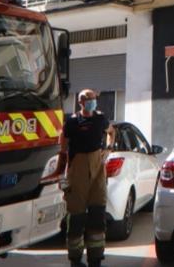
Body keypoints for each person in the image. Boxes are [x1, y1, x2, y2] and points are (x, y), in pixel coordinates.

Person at [64, 88, 114, 267]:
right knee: (76, 216)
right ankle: (75, 259)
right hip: (77, 169)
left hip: (97, 168)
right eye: (89, 99)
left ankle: (96, 258)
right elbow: (63, 145)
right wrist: (63, 171)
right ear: (81, 102)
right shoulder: (72, 122)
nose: (93, 101)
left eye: (94, 99)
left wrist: (108, 149)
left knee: (97, 213)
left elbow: (111, 132)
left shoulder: (100, 119)